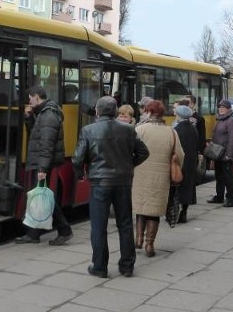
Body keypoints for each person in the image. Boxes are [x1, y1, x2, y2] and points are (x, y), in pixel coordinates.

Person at [72, 96, 150, 278]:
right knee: (125, 224)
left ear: (97, 112)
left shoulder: (88, 130)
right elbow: (144, 152)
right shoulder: (128, 130)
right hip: (123, 182)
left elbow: (77, 159)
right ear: (115, 112)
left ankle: (99, 266)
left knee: (99, 226)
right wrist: (129, 166)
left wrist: (81, 174)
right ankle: (127, 266)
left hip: (99, 182)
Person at [15, 85, 73, 245]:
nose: (29, 101)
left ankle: (64, 229)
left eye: (30, 98)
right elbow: (36, 134)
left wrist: (42, 168)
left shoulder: (48, 114)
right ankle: (33, 234)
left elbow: (47, 144)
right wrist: (28, 117)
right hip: (39, 161)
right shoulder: (42, 113)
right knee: (39, 197)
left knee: (44, 198)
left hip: (42, 163)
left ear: (36, 97)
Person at [132, 100, 184, 257]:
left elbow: (130, 150)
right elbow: (180, 155)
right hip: (161, 177)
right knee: (154, 211)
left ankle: (139, 238)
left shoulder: (139, 129)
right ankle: (150, 245)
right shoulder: (171, 132)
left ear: (148, 112)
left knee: (141, 207)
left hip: (140, 175)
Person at [207, 99, 233, 208]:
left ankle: (232, 199)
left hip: (225, 154)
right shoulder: (220, 119)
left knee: (228, 178)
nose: (221, 109)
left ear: (229, 109)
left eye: (223, 107)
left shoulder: (232, 120)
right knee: (219, 177)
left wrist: (229, 155)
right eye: (220, 107)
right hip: (217, 154)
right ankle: (219, 196)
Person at [173, 105, 199, 223]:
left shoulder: (177, 129)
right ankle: (184, 211)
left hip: (179, 162)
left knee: (177, 187)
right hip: (191, 161)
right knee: (188, 186)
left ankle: (175, 212)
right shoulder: (192, 128)